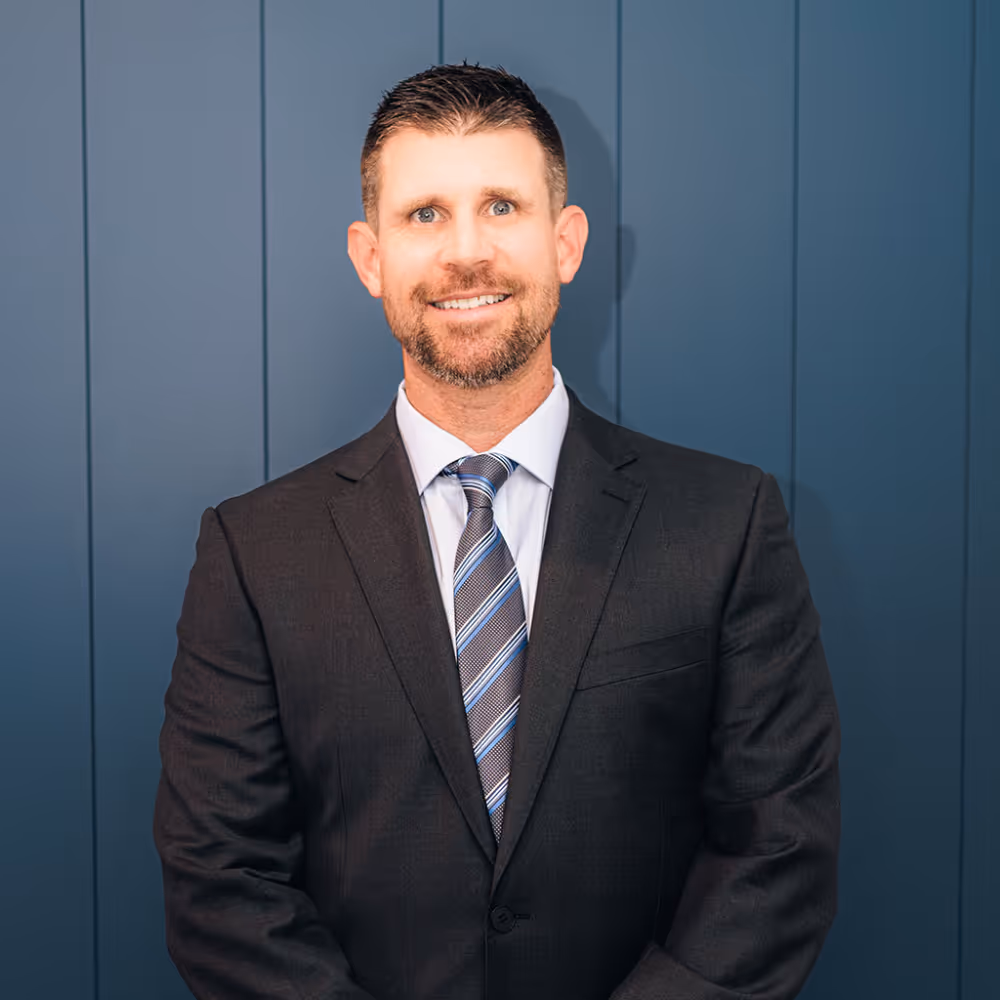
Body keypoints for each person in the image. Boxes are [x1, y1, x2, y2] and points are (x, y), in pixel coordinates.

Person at [154, 64, 840, 1000]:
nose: (465, 253)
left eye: (502, 207)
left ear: (567, 242)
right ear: (370, 258)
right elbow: (221, 879)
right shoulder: (254, 553)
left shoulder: (725, 523)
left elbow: (779, 850)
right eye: (425, 214)